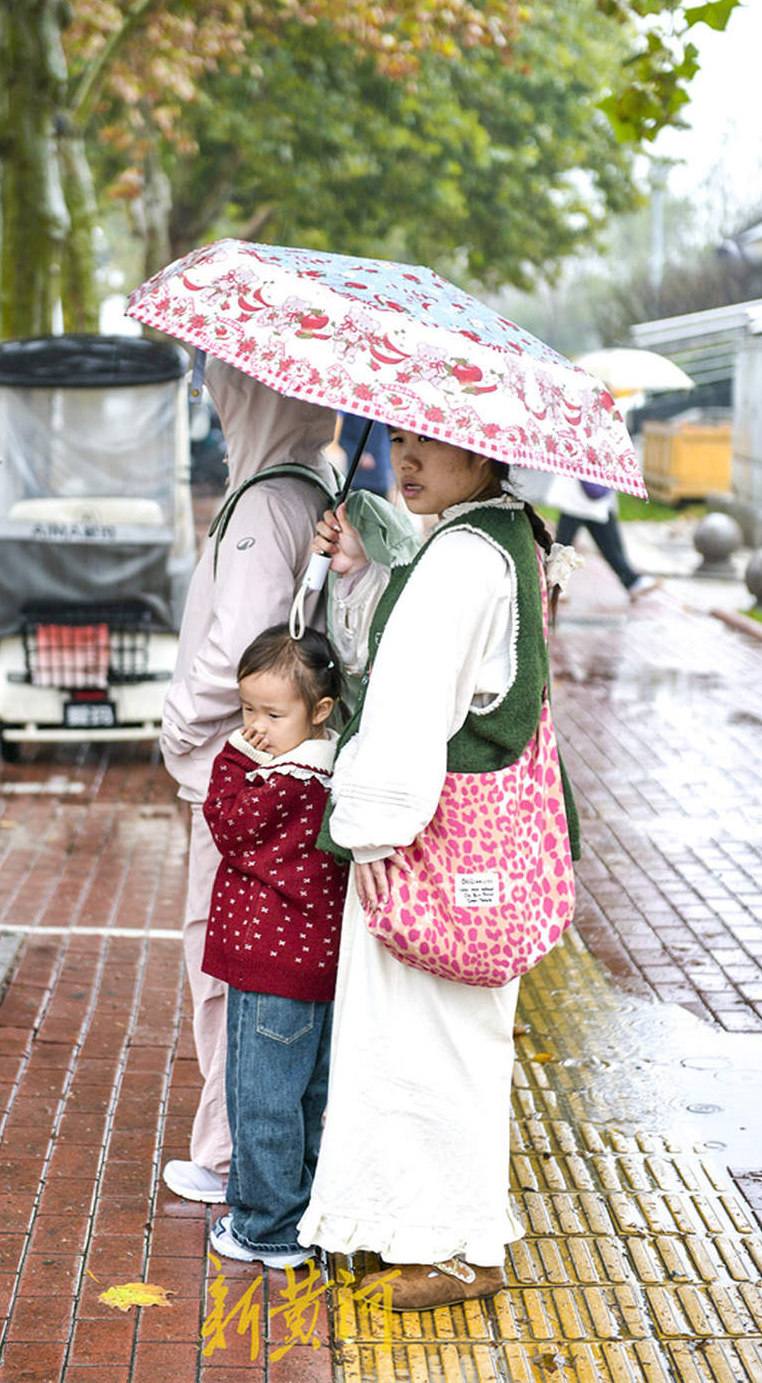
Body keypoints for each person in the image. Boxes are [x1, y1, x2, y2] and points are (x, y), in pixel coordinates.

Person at [297, 430, 581, 1310]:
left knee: (426, 1042)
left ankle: (458, 1244)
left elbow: (409, 701)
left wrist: (368, 830)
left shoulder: (461, 557)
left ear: (485, 451)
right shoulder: (506, 532)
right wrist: (362, 566)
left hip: (430, 844)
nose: (406, 459)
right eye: (404, 439)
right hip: (486, 846)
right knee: (451, 1040)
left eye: (431, 443)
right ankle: (425, 1227)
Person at [159, 358, 339, 1204]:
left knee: (221, 959)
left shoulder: (263, 503)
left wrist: (176, 728)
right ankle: (246, 1143)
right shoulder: (315, 479)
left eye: (224, 381)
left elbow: (239, 647)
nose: (214, 393)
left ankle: (228, 1152)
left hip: (237, 773)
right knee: (256, 959)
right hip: (290, 767)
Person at [201, 625, 347, 1268]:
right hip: (314, 963)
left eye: (271, 713)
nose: (254, 726)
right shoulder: (333, 768)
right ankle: (298, 1207)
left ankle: (267, 1228)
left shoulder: (279, 781)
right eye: (246, 711)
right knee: (303, 1096)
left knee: (260, 1097)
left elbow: (225, 822)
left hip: (271, 966)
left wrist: (232, 755)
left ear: (318, 712)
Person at [547, 476, 657, 600]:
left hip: (585, 499)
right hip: (581, 499)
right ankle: (632, 581)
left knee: (605, 543)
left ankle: (632, 581)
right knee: (605, 544)